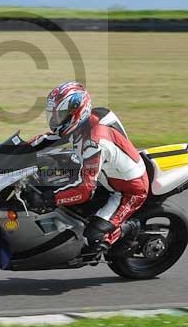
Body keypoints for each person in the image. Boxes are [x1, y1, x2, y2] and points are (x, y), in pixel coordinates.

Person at [28, 81, 149, 257]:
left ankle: (129, 228)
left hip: (127, 189)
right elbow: (52, 138)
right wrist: (20, 149)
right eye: (53, 115)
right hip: (104, 171)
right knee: (46, 170)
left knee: (93, 239)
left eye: (60, 115)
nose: (55, 120)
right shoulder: (93, 116)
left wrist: (49, 199)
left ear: (76, 113)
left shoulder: (93, 143)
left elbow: (85, 191)